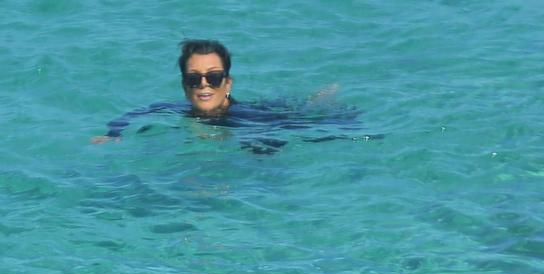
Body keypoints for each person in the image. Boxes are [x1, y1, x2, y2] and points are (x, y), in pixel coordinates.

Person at [92, 39, 361, 152]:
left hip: (264, 118)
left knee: (299, 115)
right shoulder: (175, 110)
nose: (205, 85)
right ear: (185, 86)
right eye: (194, 78)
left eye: (214, 77)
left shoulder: (247, 118)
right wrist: (114, 133)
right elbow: (135, 114)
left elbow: (288, 132)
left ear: (228, 83)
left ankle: (321, 99)